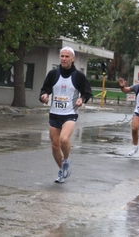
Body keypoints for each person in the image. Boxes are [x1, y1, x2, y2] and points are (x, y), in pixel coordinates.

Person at [39, 46, 92, 183]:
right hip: (54, 113)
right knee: (55, 145)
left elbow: (87, 92)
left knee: (64, 140)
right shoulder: (53, 74)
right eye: (62, 56)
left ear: (73, 59)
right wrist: (44, 96)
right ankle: (62, 170)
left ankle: (66, 160)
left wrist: (82, 99)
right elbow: (44, 90)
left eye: (67, 56)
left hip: (70, 113)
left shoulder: (78, 76)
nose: (64, 59)